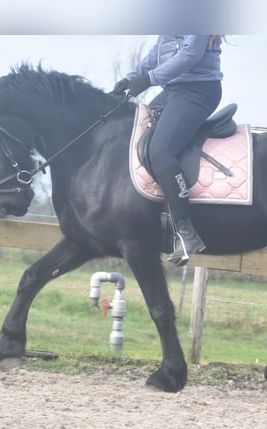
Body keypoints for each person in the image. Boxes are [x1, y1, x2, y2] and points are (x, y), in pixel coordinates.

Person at [112, 35, 224, 266]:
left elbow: (191, 54)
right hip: (174, 89)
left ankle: (186, 232)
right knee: (135, 132)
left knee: (161, 152)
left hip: (198, 90)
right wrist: (130, 78)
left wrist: (149, 79)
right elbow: (157, 53)